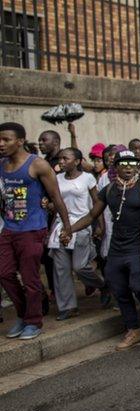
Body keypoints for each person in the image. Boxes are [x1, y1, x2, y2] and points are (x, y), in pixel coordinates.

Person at [71, 150, 140, 350]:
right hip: (116, 247)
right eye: (123, 163)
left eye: (132, 163)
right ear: (116, 167)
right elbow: (92, 214)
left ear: (137, 166)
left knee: (138, 285)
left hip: (138, 245)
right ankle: (133, 329)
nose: (128, 167)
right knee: (117, 287)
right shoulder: (110, 189)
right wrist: (70, 229)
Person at [0, 122, 73, 340]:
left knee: (31, 277)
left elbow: (56, 198)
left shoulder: (38, 165)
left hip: (32, 229)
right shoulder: (1, 164)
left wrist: (67, 227)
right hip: (8, 228)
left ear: (20, 141)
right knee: (4, 273)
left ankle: (33, 321)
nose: (1, 144)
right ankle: (23, 315)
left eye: (6, 139)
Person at [49, 147, 108, 320]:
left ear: (76, 161)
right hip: (61, 226)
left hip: (82, 225)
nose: (61, 161)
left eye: (65, 158)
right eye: (60, 158)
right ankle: (68, 307)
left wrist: (100, 225)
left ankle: (102, 285)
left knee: (80, 267)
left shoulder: (87, 178)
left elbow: (98, 203)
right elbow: (56, 204)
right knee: (61, 269)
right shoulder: (56, 178)